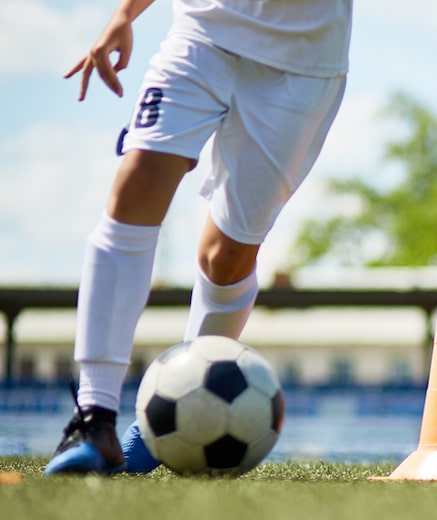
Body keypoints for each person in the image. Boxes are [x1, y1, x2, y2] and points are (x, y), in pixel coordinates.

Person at [45, 0, 352, 475]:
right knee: (136, 185)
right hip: (202, 33)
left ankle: (162, 425)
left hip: (303, 61)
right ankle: (93, 419)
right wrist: (125, 13)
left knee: (225, 258)